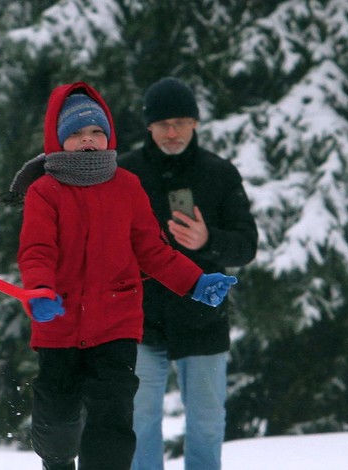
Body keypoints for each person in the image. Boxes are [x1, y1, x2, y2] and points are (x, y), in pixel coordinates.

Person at [7, 81, 238, 470]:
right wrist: (40, 290)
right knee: (57, 424)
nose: (88, 140)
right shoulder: (45, 192)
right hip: (58, 321)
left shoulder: (126, 185)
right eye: (77, 133)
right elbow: (37, 251)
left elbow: (153, 250)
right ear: (58, 139)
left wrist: (194, 281)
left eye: (96, 131)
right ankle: (57, 463)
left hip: (116, 323)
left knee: (113, 420)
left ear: (109, 136)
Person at [118, 77, 258, 470]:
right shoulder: (124, 174)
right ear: (148, 126)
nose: (173, 132)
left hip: (203, 317)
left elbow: (247, 246)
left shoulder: (219, 173)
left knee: (207, 423)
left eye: (181, 121)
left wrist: (207, 241)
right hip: (139, 318)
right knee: (140, 421)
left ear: (196, 122)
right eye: (163, 123)